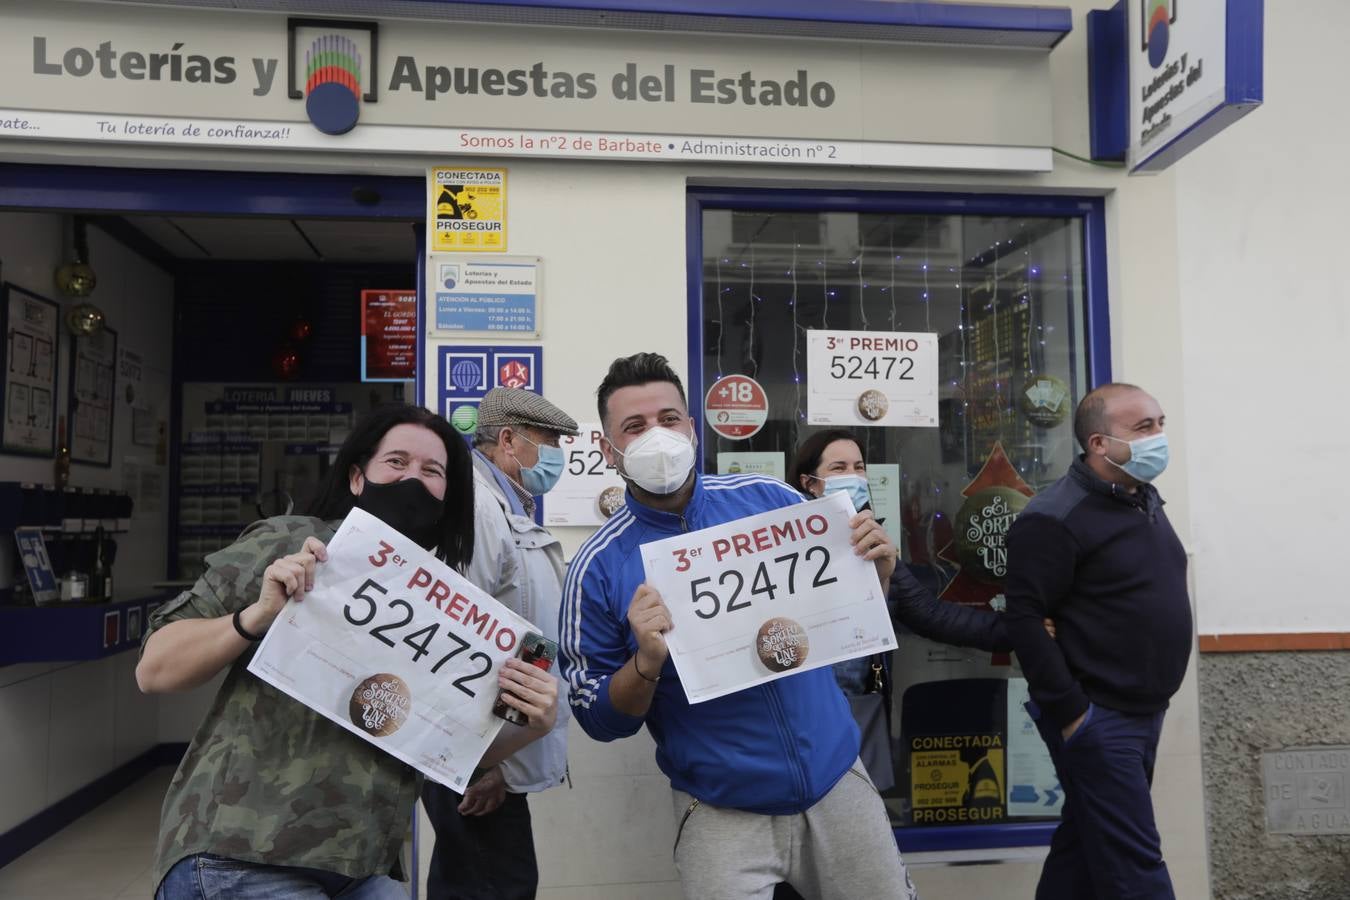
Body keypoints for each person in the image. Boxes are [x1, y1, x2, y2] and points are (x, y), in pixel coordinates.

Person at [136, 404, 560, 900]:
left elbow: (448, 753)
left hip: (365, 867)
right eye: (396, 462)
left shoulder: (445, 608)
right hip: (241, 852)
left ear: (449, 494)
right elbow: (155, 669)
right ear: (358, 478)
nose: (412, 480)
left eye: (432, 471)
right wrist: (254, 618)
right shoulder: (291, 544)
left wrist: (534, 722)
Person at [559, 352, 919, 900]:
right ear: (609, 451)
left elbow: (845, 631)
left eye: (669, 419)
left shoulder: (771, 502)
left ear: (692, 429)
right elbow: (599, 719)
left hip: (836, 781)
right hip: (719, 809)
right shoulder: (597, 566)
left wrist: (879, 578)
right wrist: (646, 662)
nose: (657, 435)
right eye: (634, 427)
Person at [1003, 383, 1190, 900]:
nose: (1159, 437)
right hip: (1098, 718)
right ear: (1099, 443)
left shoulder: (1141, 496)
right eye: (1143, 428)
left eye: (1160, 422)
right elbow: (1024, 617)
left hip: (1144, 710)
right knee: (1135, 864)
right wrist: (1072, 714)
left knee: (1085, 846)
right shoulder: (1054, 517)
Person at [421, 387, 579, 900]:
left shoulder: (501, 505)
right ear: (508, 440)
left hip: (497, 756)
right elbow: (462, 646)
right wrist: (483, 765)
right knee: (493, 886)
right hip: (481, 764)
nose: (555, 456)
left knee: (481, 881)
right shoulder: (479, 510)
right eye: (549, 442)